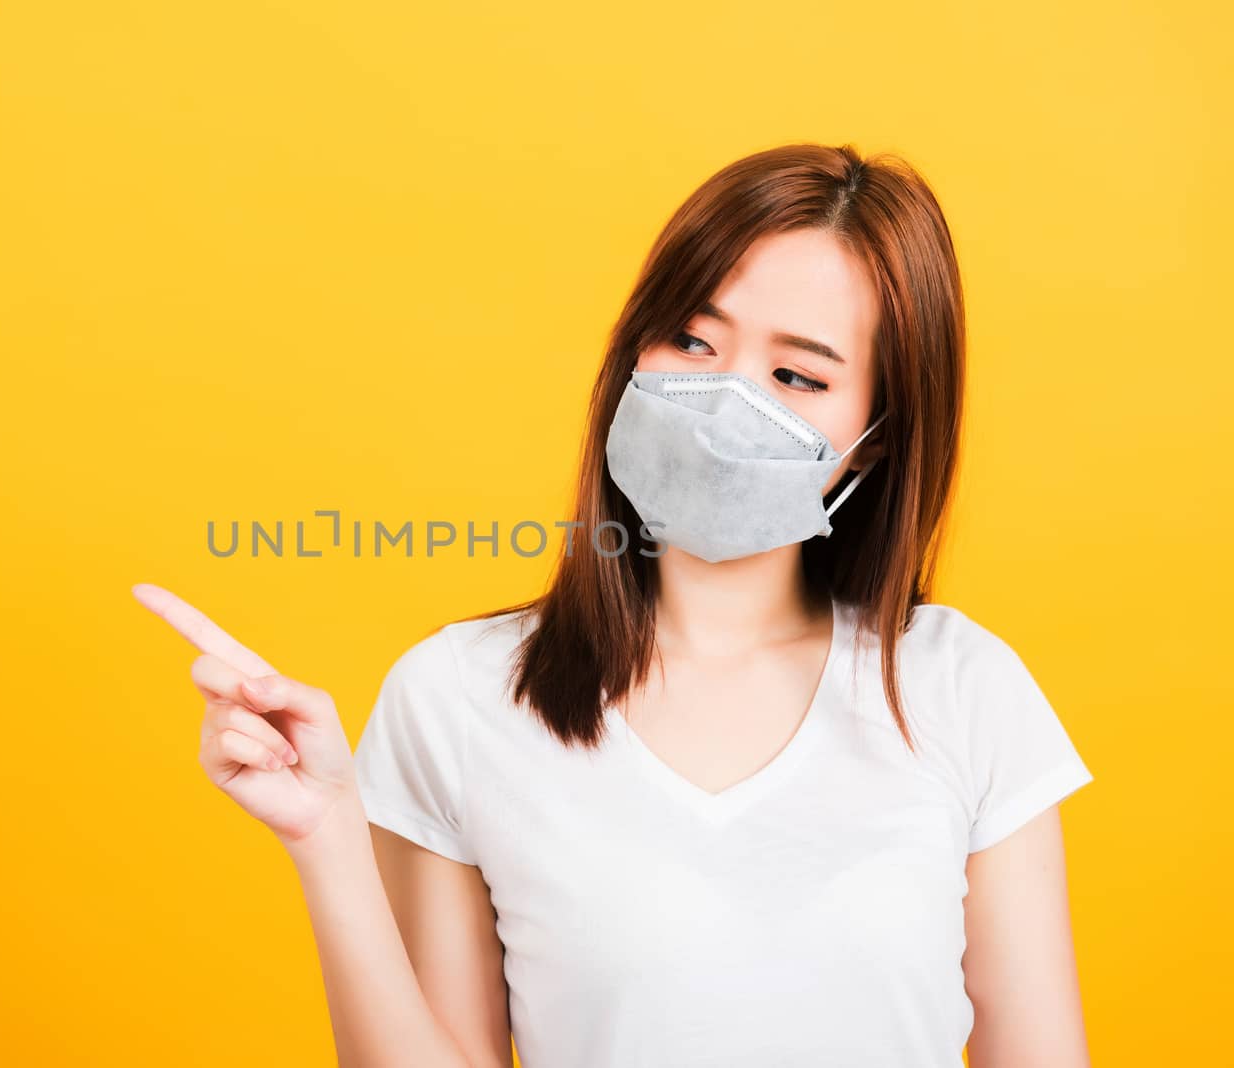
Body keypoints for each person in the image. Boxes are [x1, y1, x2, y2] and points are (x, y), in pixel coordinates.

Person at [133, 142, 1095, 1067]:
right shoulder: (458, 697)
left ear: (876, 442)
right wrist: (327, 837)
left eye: (797, 376)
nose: (722, 396)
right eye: (691, 338)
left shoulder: (962, 689)